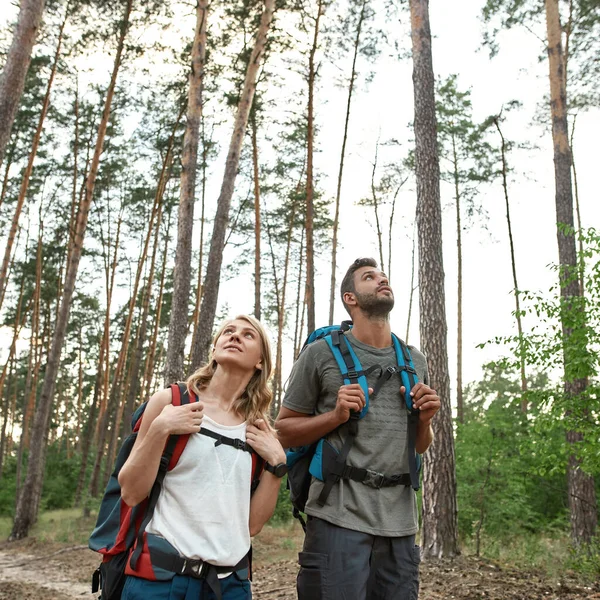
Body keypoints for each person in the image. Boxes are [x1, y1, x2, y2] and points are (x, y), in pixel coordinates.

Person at [275, 257, 441, 600]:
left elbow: (420, 446)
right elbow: (284, 431)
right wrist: (335, 416)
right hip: (337, 518)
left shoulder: (415, 360)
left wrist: (424, 420)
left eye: (383, 275)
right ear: (350, 298)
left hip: (400, 524)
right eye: (369, 277)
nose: (382, 279)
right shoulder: (320, 354)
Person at [118, 314, 287, 600]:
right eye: (228, 331)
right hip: (159, 581)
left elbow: (251, 526)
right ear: (214, 349)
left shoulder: (258, 431)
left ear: (261, 361)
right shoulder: (171, 402)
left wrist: (277, 465)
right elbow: (132, 492)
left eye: (248, 335)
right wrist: (160, 427)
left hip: (229, 588)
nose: (234, 336)